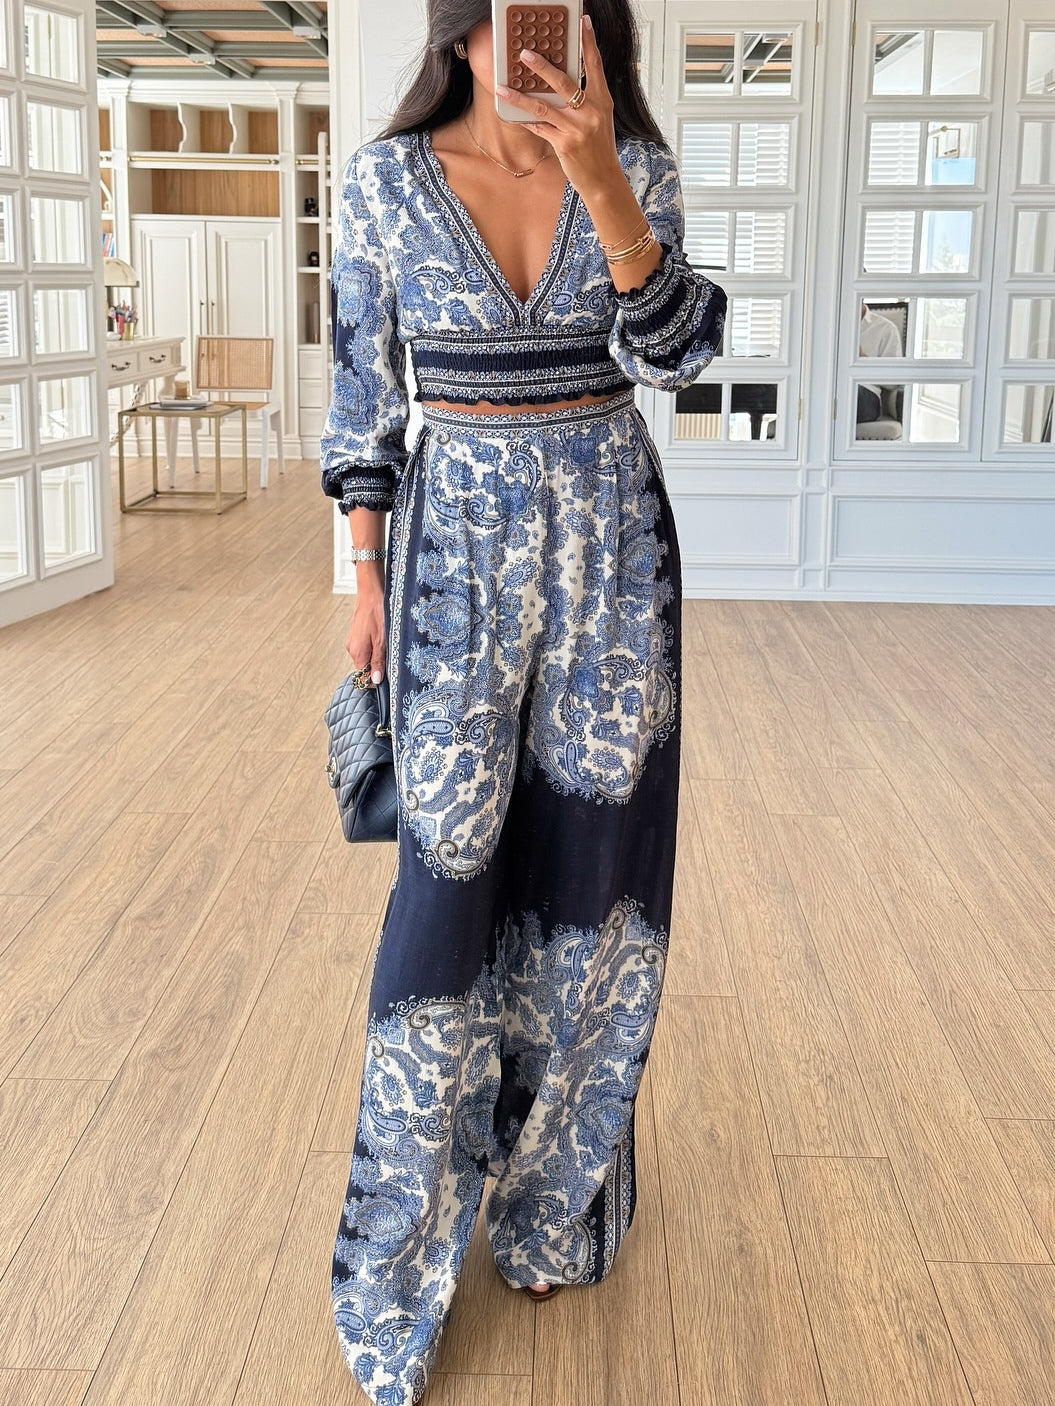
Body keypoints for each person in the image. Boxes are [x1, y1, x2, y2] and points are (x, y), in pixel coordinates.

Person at [319, 3, 726, 1402]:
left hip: (611, 550)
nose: (532, 42)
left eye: (559, 13)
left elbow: (678, 357)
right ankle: (395, 1259)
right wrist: (363, 576)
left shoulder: (633, 167)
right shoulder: (383, 181)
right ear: (462, 26)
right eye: (505, 14)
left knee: (594, 888)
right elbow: (361, 400)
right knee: (443, 894)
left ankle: (553, 1206)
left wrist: (602, 178)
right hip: (449, 560)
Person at [857, 302, 903, 424]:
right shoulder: (825, 326)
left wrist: (862, 359)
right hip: (828, 388)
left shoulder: (886, 328)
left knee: (849, 394)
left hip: (865, 394)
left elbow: (893, 381)